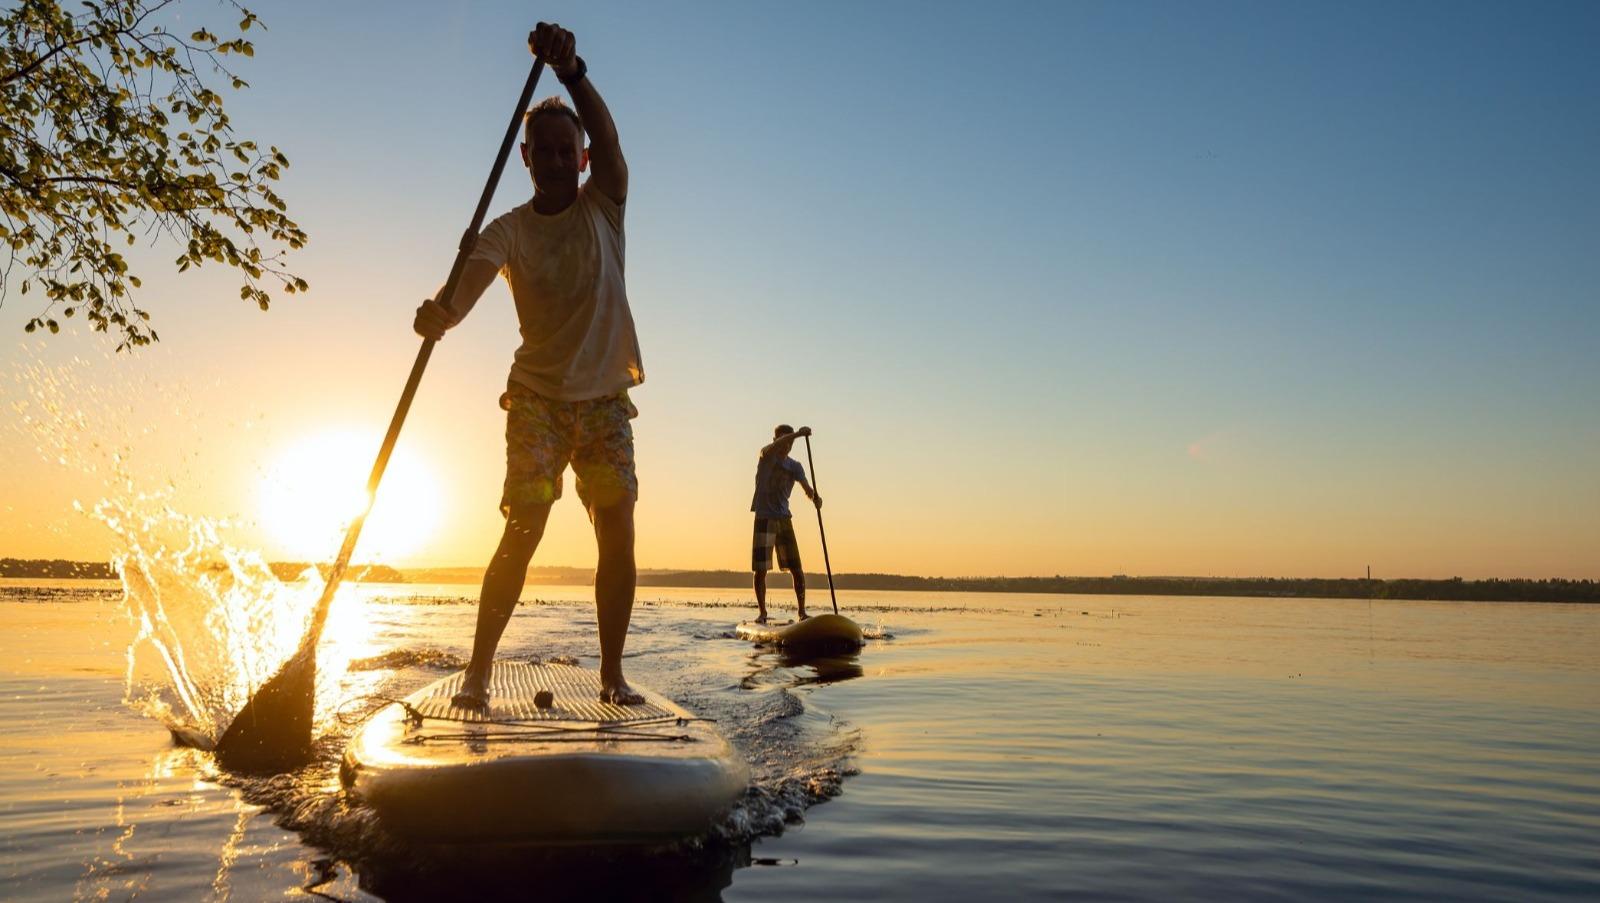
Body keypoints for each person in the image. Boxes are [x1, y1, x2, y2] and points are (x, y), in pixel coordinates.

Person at [414, 23, 644, 707]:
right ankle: (480, 673)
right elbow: (464, 290)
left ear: (581, 158)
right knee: (526, 524)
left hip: (604, 399)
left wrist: (571, 72)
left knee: (618, 527)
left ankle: (611, 675)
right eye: (540, 148)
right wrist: (441, 314)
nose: (551, 157)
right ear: (524, 156)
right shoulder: (507, 229)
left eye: (563, 148)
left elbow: (610, 137)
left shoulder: (606, 204)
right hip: (538, 399)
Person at [751, 425, 821, 624]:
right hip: (764, 517)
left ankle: (801, 612)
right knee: (761, 569)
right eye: (783, 441)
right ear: (775, 440)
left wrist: (815, 498)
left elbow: (807, 489)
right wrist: (797, 435)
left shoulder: (795, 466)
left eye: (790, 443)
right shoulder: (766, 455)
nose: (786, 446)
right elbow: (774, 446)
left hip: (784, 519)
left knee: (797, 568)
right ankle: (763, 613)